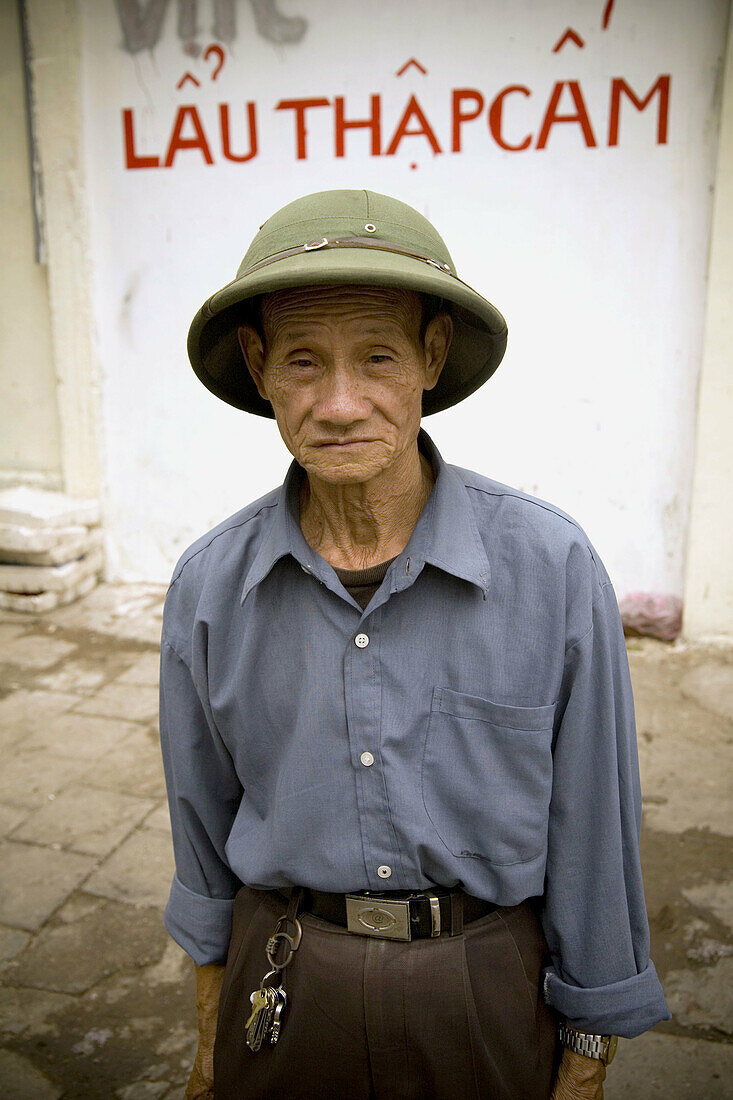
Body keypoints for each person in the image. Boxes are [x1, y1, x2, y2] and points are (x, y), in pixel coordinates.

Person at [159, 189, 671, 1100]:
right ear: (259, 365)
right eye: (304, 362)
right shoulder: (209, 587)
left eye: (379, 358)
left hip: (482, 992)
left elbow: (593, 826)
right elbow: (200, 833)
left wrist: (585, 1060)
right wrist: (206, 1044)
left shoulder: (548, 567)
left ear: (431, 358)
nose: (341, 404)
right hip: (285, 984)